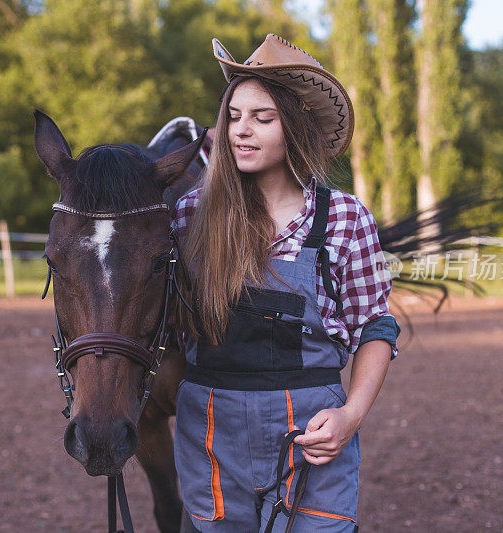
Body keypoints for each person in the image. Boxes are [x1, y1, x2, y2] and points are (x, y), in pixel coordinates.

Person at [171, 34, 401, 532]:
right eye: (233, 116)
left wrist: (352, 416)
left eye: (262, 118)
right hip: (211, 436)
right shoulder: (191, 215)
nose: (240, 131)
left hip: (311, 437)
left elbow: (375, 328)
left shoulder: (344, 218)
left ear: (293, 127)